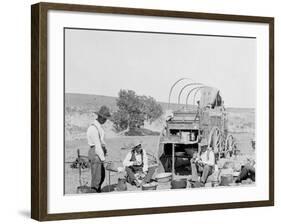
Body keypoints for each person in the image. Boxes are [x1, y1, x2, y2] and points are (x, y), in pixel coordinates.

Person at [87, 105, 111, 193]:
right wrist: (103, 159)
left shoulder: (98, 127)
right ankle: (94, 193)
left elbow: (101, 142)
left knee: (101, 175)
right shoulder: (93, 128)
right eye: (104, 118)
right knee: (96, 178)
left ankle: (97, 190)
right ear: (100, 117)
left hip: (99, 152)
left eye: (106, 119)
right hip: (95, 153)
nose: (105, 120)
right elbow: (97, 146)